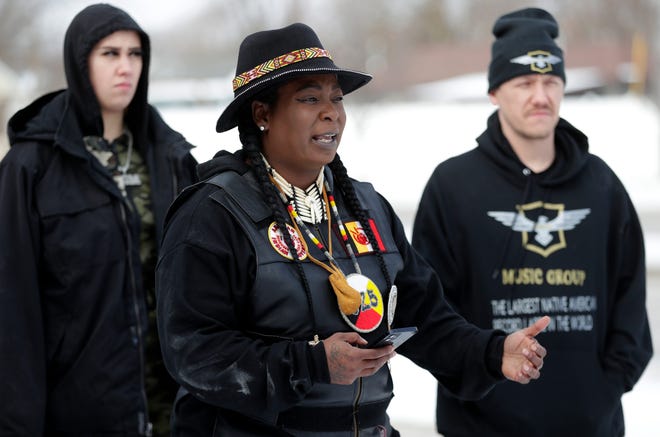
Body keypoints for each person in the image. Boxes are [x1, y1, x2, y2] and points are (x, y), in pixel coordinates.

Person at [155, 22, 551, 436]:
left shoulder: (367, 208)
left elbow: (426, 316)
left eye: (337, 98)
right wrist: (312, 364)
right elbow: (193, 352)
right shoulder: (213, 214)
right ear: (262, 114)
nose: (332, 113)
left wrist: (492, 352)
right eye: (310, 98)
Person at [411, 7, 653, 437]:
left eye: (550, 82)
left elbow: (631, 303)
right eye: (524, 83)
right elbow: (428, 319)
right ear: (494, 92)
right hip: (480, 428)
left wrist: (602, 390)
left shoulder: (602, 186)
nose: (540, 96)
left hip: (589, 426)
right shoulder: (453, 188)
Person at [0, 3, 197, 435]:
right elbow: (13, 310)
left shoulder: (171, 157)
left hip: (176, 408)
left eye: (135, 54)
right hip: (83, 409)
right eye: (110, 54)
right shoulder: (31, 167)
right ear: (79, 59)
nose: (125, 67)